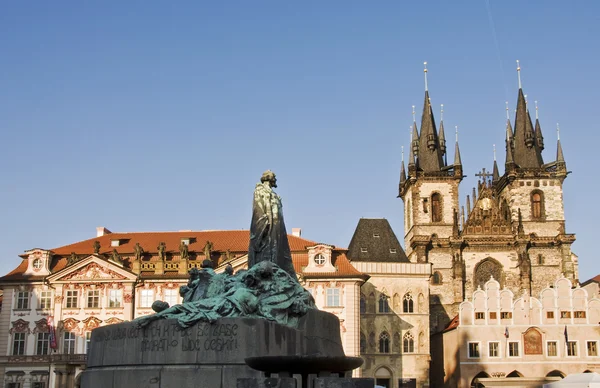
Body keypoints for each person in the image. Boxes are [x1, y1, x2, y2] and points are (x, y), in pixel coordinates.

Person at [248, 170, 297, 279]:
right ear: (269, 178)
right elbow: (258, 210)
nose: (275, 180)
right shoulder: (260, 191)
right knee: (267, 247)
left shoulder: (274, 194)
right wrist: (264, 223)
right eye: (274, 177)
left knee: (278, 249)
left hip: (278, 227)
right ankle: (266, 271)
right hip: (268, 225)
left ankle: (277, 270)